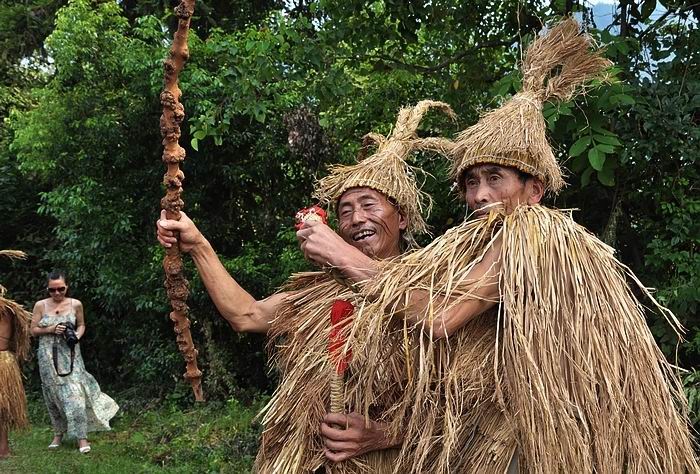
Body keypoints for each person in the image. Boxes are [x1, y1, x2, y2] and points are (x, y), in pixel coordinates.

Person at [309, 18, 698, 473]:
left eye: (496, 179)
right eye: (471, 182)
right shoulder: (494, 247)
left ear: (534, 190)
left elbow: (439, 317)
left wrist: (342, 255)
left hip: (539, 445)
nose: (480, 196)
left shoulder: (532, 236)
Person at [157, 100, 455, 471]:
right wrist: (198, 244)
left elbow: (468, 401)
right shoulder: (318, 291)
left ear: (403, 219)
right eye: (345, 210)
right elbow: (246, 314)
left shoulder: (437, 287)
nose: (357, 218)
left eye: (369, 205)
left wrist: (387, 433)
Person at [30, 270, 119, 454]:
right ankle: (58, 434)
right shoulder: (40, 305)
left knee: (75, 396)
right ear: (47, 289)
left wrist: (76, 336)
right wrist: (52, 329)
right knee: (53, 397)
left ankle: (82, 438)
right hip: (47, 357)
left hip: (71, 356)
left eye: (60, 289)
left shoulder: (75, 304)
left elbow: (82, 324)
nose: (56, 293)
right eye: (52, 290)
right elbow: (33, 330)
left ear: (67, 287)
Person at [0, 250, 31, 459]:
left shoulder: (6, 309)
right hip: (6, 360)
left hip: (2, 361)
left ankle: (3, 448)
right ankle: (3, 448)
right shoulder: (11, 310)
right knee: (2, 410)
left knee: (3, 410)